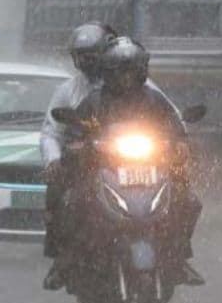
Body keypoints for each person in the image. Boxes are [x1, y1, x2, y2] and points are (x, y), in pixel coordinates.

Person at [62, 36, 205, 288]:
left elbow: (175, 126)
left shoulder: (154, 99)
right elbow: (75, 131)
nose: (126, 78)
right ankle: (69, 262)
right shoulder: (95, 101)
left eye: (131, 71)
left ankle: (179, 257)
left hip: (152, 170)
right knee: (72, 202)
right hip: (105, 171)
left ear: (141, 71)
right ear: (108, 73)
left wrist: (180, 143)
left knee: (189, 201)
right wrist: (77, 146)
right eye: (120, 72)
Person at [40, 22, 117, 290]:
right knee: (66, 201)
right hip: (88, 166)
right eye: (81, 56)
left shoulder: (136, 84)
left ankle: (177, 254)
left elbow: (167, 113)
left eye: (91, 55)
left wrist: (178, 142)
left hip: (136, 166)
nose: (86, 62)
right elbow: (51, 132)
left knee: (184, 198)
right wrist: (53, 160)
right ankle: (62, 259)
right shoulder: (68, 91)